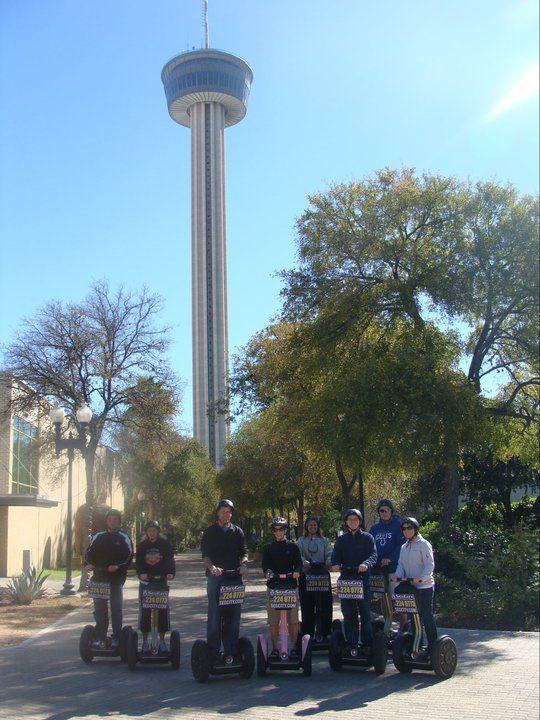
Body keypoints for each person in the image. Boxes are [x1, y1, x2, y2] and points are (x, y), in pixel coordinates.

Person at [201, 499, 248, 664]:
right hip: (216, 578)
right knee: (215, 615)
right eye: (223, 511)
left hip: (234, 578)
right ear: (218, 513)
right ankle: (213, 652)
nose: (226, 514)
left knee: (234, 617)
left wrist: (243, 564)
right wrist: (212, 567)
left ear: (231, 513)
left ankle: (231, 651)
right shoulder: (210, 532)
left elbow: (244, 552)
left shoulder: (238, 532)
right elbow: (205, 555)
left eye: (228, 511)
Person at [331, 508, 377, 654]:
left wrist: (366, 564)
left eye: (356, 520)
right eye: (350, 520)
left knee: (365, 613)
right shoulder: (341, 539)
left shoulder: (367, 538)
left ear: (360, 521)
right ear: (346, 522)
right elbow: (335, 555)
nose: (353, 522)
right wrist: (336, 563)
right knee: (349, 613)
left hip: (362, 579)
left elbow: (373, 555)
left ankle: (367, 644)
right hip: (346, 580)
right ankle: (351, 644)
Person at [85, 508, 133, 649]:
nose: (113, 521)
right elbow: (89, 554)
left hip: (116, 579)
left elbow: (129, 556)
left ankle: (117, 637)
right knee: (100, 609)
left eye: (115, 519)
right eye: (110, 519)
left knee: (116, 609)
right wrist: (88, 564)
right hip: (99, 578)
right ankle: (100, 636)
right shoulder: (98, 536)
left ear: (119, 521)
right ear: (107, 521)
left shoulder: (124, 537)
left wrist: (118, 567)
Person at [391, 517, 437, 659]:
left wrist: (422, 577)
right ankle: (416, 645)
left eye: (409, 528)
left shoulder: (423, 544)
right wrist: (397, 576)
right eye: (404, 529)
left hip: (424, 586)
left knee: (426, 615)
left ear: (415, 529)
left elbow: (429, 564)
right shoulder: (404, 547)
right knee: (413, 617)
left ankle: (433, 646)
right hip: (411, 586)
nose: (407, 531)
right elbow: (401, 565)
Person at [262, 517, 303, 658]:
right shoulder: (268, 548)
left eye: (281, 529)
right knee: (273, 621)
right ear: (273, 531)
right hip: (274, 587)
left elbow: (299, 563)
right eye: (276, 529)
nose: (279, 532)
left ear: (285, 530)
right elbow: (265, 565)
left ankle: (293, 648)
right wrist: (268, 573)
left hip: (290, 587)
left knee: (293, 620)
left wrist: (297, 571)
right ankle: (274, 648)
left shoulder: (293, 547)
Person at [135, 519, 176, 653]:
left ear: (157, 531)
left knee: (162, 610)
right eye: (149, 531)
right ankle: (145, 642)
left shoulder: (165, 544)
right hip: (146, 582)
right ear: (146, 532)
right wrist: (141, 574)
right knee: (145, 611)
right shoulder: (142, 545)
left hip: (160, 581)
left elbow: (170, 559)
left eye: (154, 530)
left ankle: (162, 641)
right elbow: (139, 562)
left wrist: (170, 573)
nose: (152, 532)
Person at [296, 515, 333, 640]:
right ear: (306, 526)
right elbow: (297, 554)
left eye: (315, 525)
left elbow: (330, 553)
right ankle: (308, 633)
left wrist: (329, 561)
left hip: (322, 575)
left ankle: (325, 632)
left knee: (325, 605)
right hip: (307, 576)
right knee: (307, 606)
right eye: (310, 525)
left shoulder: (325, 541)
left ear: (318, 527)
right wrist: (303, 561)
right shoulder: (301, 540)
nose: (313, 527)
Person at [368, 499, 405, 574]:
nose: (384, 513)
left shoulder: (398, 526)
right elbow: (369, 547)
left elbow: (401, 545)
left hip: (394, 568)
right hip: (376, 568)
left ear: (391, 511)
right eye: (382, 511)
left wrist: (390, 558)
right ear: (379, 512)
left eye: (387, 510)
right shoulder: (374, 528)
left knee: (394, 585)